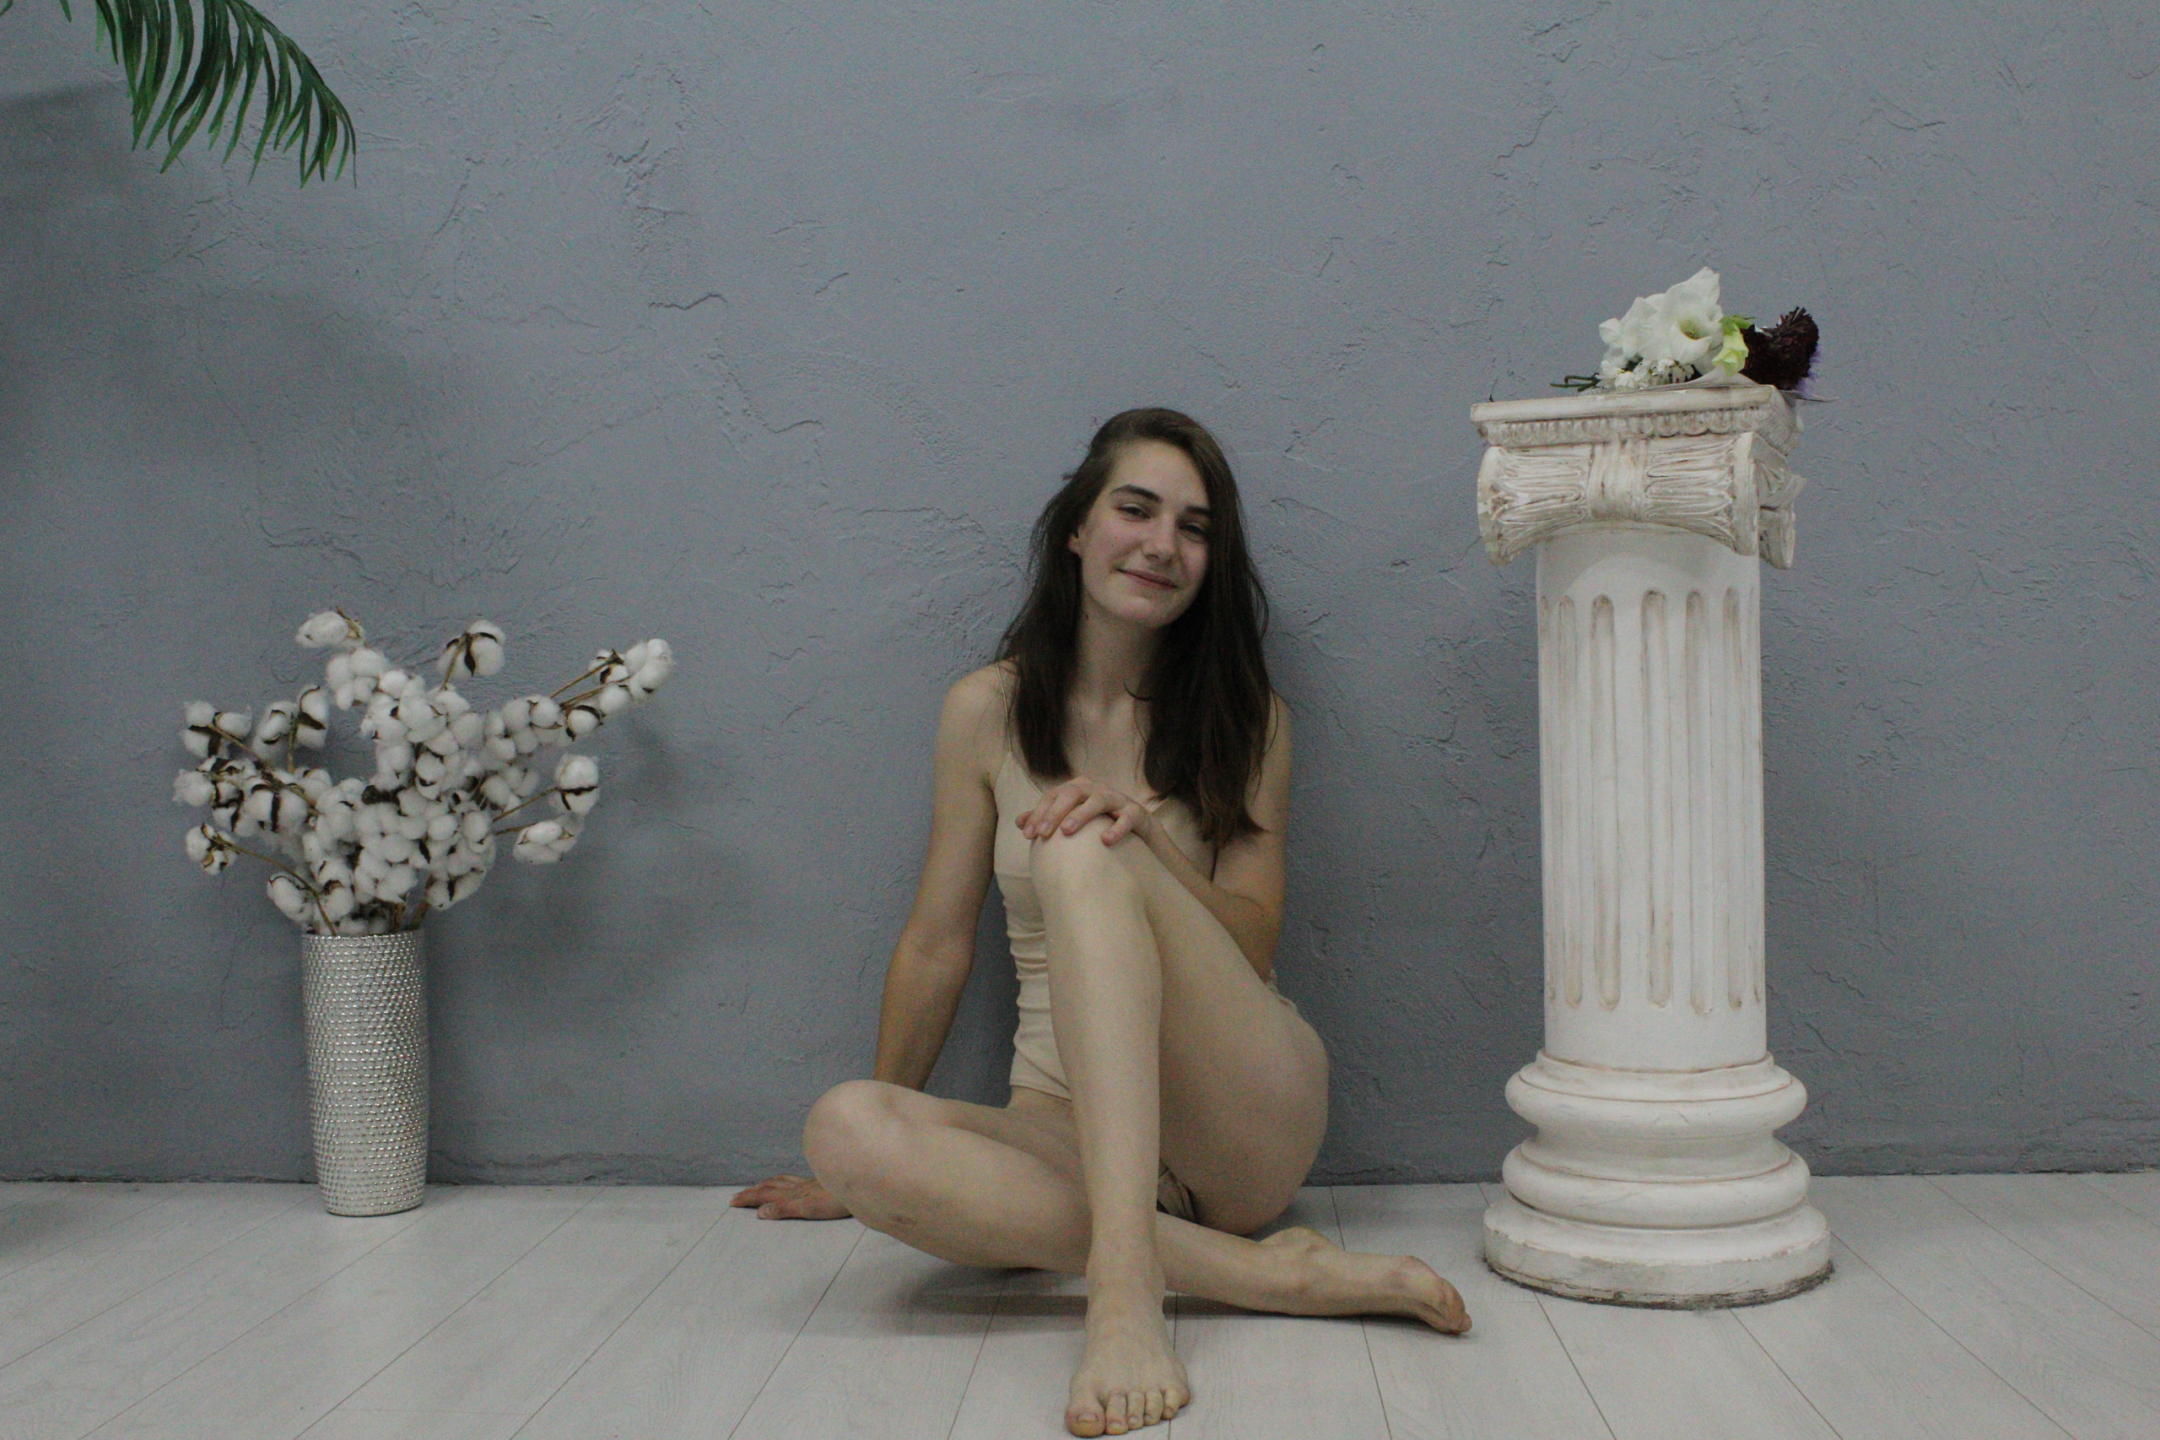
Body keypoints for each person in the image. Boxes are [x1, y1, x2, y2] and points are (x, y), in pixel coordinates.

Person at [731, 407, 1470, 1437]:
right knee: (847, 1126)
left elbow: (1254, 942)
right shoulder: (985, 710)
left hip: (1237, 1119)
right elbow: (937, 942)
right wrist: (853, 1175)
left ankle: (1126, 1294)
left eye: (1195, 528)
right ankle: (1265, 1276)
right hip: (1062, 1131)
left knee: (1080, 840)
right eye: (1136, 509)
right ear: (1077, 528)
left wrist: (1147, 842)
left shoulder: (1250, 722)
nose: (1163, 544)